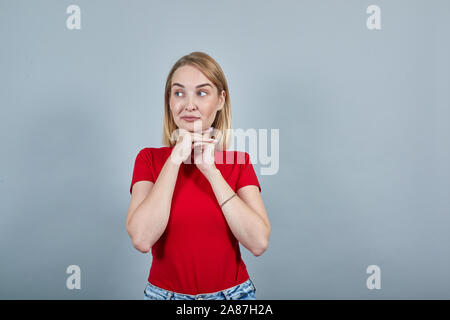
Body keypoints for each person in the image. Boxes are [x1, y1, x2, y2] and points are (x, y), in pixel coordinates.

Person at [126, 52, 271, 300]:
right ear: (169, 102)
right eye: (179, 93)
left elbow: (258, 242)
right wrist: (175, 159)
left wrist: (211, 171)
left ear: (220, 100)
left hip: (234, 297)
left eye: (202, 93)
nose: (189, 104)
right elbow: (142, 238)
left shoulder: (238, 162)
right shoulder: (149, 159)